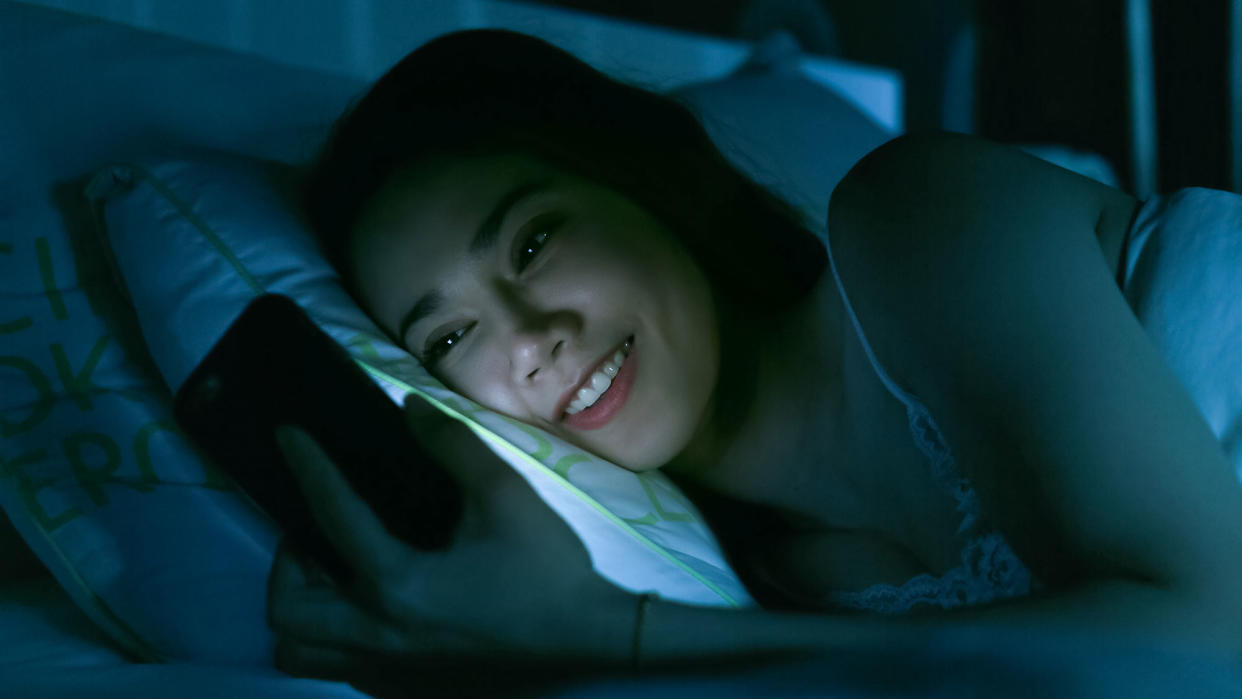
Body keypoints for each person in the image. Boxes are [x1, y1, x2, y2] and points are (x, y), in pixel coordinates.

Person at [267, 28, 1242, 681]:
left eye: (531, 243)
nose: (528, 340)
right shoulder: (781, 584)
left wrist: (611, 634)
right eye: (448, 337)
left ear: (649, 180)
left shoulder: (918, 220)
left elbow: (1208, 645)